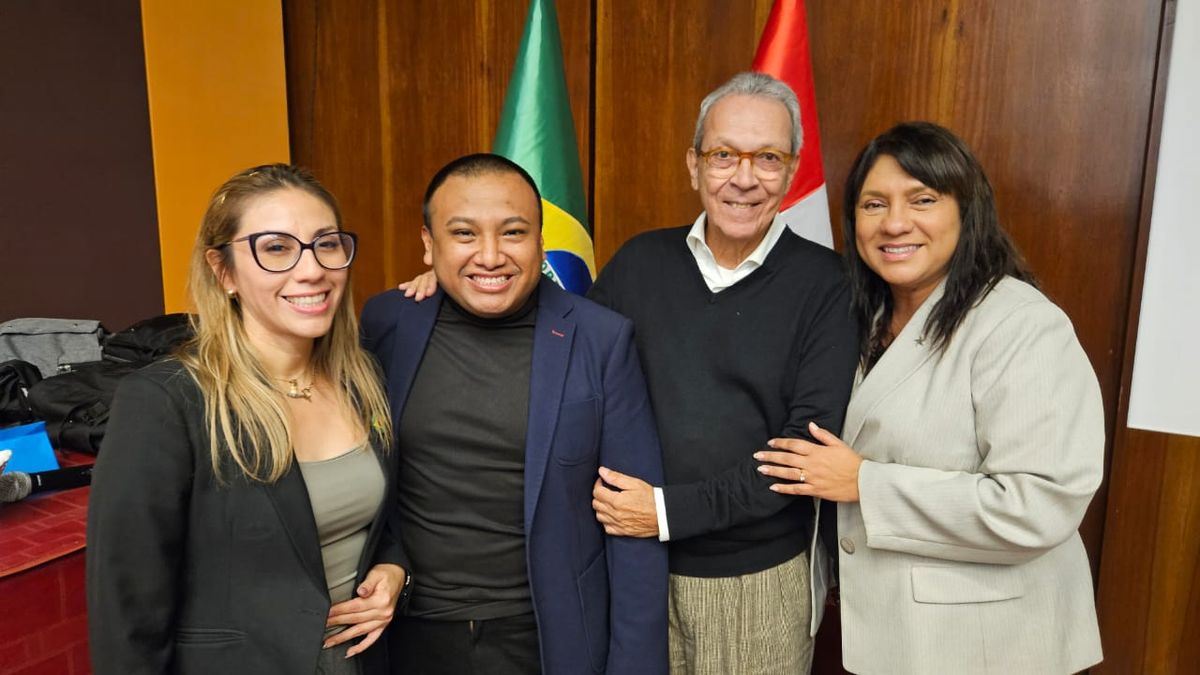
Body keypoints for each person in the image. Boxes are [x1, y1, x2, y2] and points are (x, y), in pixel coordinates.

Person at [397, 73, 859, 674]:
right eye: (723, 155)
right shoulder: (642, 259)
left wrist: (666, 511)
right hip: (625, 565)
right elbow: (560, 338)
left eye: (767, 158)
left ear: (792, 169)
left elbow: (803, 457)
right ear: (694, 164)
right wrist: (453, 283)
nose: (744, 178)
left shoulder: (828, 284)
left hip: (748, 581)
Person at [755, 121, 1105, 674]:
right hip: (876, 632)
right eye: (874, 204)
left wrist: (864, 483)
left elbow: (1039, 505)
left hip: (986, 645)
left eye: (922, 199)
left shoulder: (1022, 325)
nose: (895, 223)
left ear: (967, 211)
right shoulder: (858, 315)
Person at [87, 164, 408, 675]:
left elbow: (383, 519)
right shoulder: (165, 402)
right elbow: (127, 612)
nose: (311, 270)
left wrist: (395, 568)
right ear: (224, 272)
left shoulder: (362, 377)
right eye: (276, 248)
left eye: (326, 243)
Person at [361, 153, 668, 675]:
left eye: (513, 232)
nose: (489, 255)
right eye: (463, 234)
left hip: (547, 638)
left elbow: (632, 525)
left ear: (541, 242)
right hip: (407, 631)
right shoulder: (388, 320)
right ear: (428, 243)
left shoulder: (601, 339)